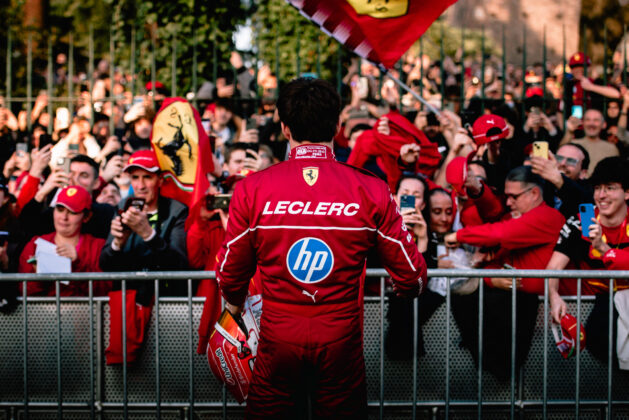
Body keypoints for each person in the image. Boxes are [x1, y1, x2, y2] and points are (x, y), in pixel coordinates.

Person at [216, 78, 427, 418]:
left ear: (285, 129)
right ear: (336, 125)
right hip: (341, 340)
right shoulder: (370, 188)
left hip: (277, 339)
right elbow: (413, 277)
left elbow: (230, 271)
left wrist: (235, 305)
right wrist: (406, 290)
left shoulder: (252, 189)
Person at [444, 166, 565, 380]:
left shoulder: (547, 216)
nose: (508, 202)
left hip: (542, 314)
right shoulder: (514, 217)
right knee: (463, 297)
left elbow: (498, 233)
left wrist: (458, 236)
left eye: (513, 196)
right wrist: (491, 279)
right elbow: (495, 263)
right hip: (514, 309)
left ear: (534, 193)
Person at [548, 156, 629, 364]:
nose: (601, 196)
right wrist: (553, 296)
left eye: (610, 188)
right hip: (602, 304)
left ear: (627, 193)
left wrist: (602, 249)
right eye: (597, 188)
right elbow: (553, 268)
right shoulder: (581, 221)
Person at [19, 185, 110, 296]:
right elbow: (23, 292)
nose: (64, 217)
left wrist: (77, 263)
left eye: (72, 212)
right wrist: (39, 277)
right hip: (44, 312)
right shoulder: (35, 244)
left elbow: (104, 290)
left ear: (86, 216)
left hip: (85, 312)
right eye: (60, 209)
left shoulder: (98, 246)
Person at [529, 142, 593, 217]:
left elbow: (583, 200)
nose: (563, 164)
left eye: (571, 161)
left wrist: (559, 180)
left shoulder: (590, 193)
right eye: (559, 158)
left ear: (583, 173)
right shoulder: (541, 184)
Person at [561, 109, 619, 176]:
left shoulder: (611, 148)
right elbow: (560, 156)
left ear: (604, 124)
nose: (591, 124)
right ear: (582, 123)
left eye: (596, 120)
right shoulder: (574, 144)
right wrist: (569, 132)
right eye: (588, 120)